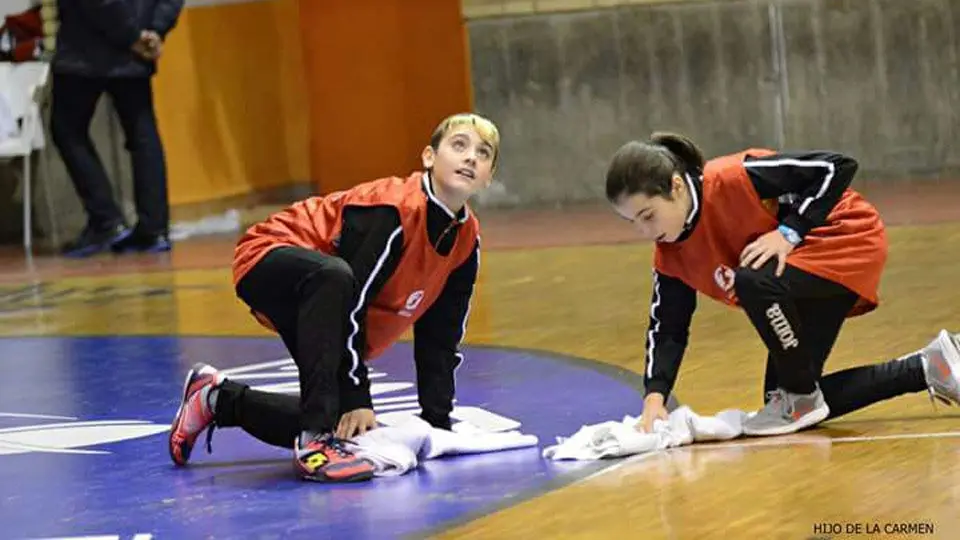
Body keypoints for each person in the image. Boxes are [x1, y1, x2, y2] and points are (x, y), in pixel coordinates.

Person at [167, 113, 499, 482]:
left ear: (488, 177)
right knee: (335, 278)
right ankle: (313, 443)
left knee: (340, 420)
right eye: (459, 145)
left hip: (327, 298)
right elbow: (354, 304)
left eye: (483, 154)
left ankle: (216, 400)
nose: (471, 157)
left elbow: (441, 335)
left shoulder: (467, 240)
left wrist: (437, 422)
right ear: (428, 157)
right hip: (270, 256)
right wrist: (357, 395)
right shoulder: (394, 212)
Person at [604, 132, 960, 437]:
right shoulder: (669, 254)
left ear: (676, 187)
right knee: (785, 403)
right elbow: (667, 329)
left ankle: (800, 396)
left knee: (752, 281)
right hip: (795, 277)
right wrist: (655, 398)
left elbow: (836, 167)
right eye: (633, 222)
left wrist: (788, 233)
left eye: (648, 215)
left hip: (845, 238)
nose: (645, 231)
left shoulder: (732, 177)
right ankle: (929, 366)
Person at [52, 0, 182, 257]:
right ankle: (154, 228)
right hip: (137, 48)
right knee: (142, 133)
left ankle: (106, 221)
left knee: (67, 129)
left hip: (87, 46)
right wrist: (154, 31)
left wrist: (131, 36)